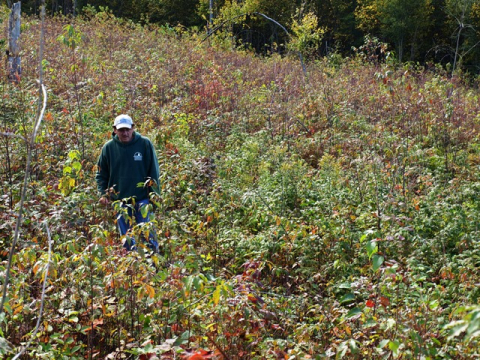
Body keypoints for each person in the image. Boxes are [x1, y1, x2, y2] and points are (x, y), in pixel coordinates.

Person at [96, 114, 160, 252]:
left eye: (127, 129)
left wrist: (154, 197)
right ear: (114, 130)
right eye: (121, 130)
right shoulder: (108, 148)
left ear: (133, 128)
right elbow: (101, 174)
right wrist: (103, 194)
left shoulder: (144, 144)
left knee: (148, 235)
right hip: (120, 202)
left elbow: (153, 172)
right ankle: (133, 268)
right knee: (127, 238)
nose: (125, 133)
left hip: (142, 199)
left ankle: (154, 265)